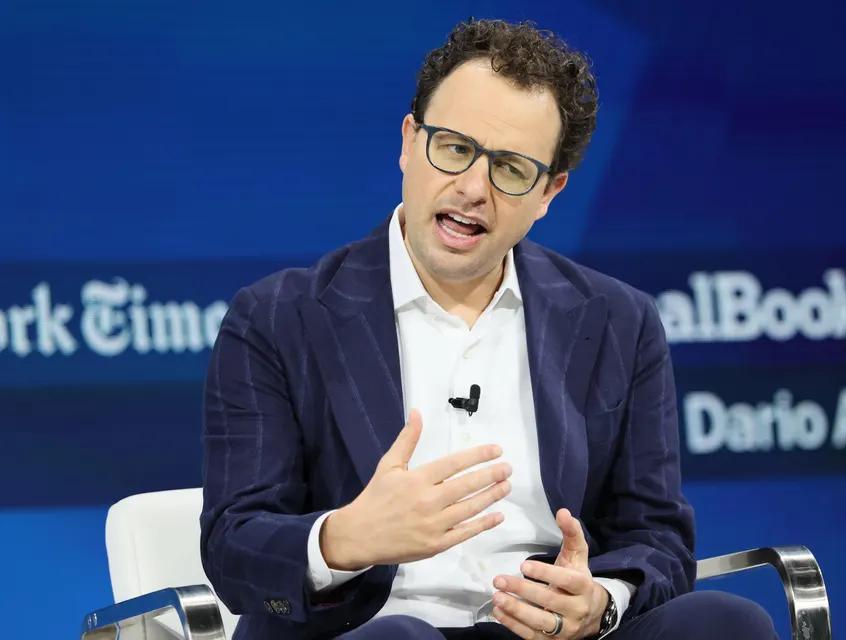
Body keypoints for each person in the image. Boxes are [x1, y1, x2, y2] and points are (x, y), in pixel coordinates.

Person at [200, 18, 777, 640]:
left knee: (728, 622)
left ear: (549, 191)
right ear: (408, 142)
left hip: (544, 634)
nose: (474, 189)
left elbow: (657, 536)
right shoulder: (279, 317)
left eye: (511, 169)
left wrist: (600, 601)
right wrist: (345, 538)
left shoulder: (619, 321)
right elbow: (233, 546)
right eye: (454, 148)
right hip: (369, 628)